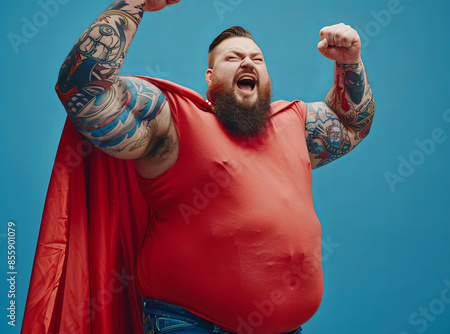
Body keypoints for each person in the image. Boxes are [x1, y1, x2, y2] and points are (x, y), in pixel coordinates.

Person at [35, 0, 375, 333]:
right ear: (210, 78)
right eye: (234, 57)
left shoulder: (293, 122)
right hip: (189, 323)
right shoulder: (173, 120)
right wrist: (134, 3)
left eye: (257, 58)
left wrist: (351, 63)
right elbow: (82, 90)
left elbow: (351, 124)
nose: (248, 62)